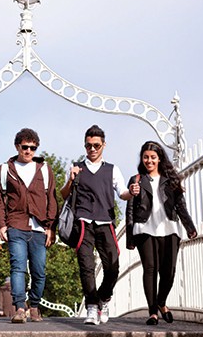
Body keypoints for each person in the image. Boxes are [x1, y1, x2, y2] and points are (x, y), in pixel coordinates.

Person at [60, 124, 133, 325]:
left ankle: (103, 298)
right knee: (86, 265)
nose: (92, 149)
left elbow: (123, 193)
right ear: (85, 146)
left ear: (103, 145)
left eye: (96, 146)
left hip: (105, 221)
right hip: (83, 222)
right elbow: (64, 194)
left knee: (113, 265)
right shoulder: (76, 167)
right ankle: (91, 307)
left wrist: (132, 192)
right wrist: (71, 179)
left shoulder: (112, 169)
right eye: (88, 146)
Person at [126, 141, 198, 326]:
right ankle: (152, 313)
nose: (149, 161)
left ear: (159, 159)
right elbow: (131, 209)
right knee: (150, 269)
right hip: (144, 228)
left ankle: (161, 302)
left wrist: (189, 226)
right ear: (142, 159)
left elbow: (180, 206)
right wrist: (130, 236)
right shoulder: (136, 180)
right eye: (145, 157)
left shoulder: (171, 180)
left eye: (152, 157)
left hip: (169, 228)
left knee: (169, 272)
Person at [0, 128, 58, 323]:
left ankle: (35, 306)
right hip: (16, 225)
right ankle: (20, 308)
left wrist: (51, 227)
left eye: (33, 148)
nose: (29, 151)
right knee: (18, 267)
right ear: (17, 147)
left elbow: (52, 199)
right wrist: (2, 225)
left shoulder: (44, 169)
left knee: (39, 271)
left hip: (39, 228)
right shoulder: (5, 169)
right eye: (25, 147)